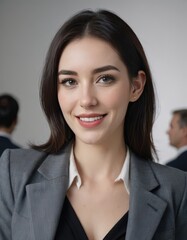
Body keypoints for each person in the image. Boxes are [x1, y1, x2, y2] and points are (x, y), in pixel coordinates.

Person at [0, 9, 187, 240]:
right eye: (70, 81)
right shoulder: (13, 174)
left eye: (104, 79)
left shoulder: (177, 191)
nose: (87, 100)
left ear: (136, 86)